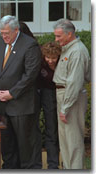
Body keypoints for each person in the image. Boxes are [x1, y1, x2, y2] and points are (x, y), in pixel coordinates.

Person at [0, 15, 41, 169]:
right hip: (1, 104)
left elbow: (30, 75)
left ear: (16, 30)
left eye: (7, 33)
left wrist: (12, 93)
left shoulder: (30, 45)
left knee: (25, 145)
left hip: (21, 104)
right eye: (1, 32)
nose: (3, 36)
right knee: (7, 144)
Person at [53, 19, 90, 169]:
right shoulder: (68, 49)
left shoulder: (77, 51)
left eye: (59, 36)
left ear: (69, 34)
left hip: (71, 98)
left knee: (73, 141)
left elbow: (74, 82)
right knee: (66, 141)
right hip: (65, 95)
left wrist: (65, 107)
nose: (56, 39)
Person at [19, 21, 42, 169]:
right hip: (19, 97)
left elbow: (30, 75)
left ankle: (35, 164)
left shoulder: (32, 47)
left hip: (31, 95)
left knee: (32, 132)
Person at [38, 41, 62, 169]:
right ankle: (50, 164)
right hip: (44, 92)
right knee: (49, 128)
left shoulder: (63, 63)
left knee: (57, 129)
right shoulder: (41, 62)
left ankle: (58, 162)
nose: (51, 61)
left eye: (54, 58)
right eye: (48, 57)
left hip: (58, 93)